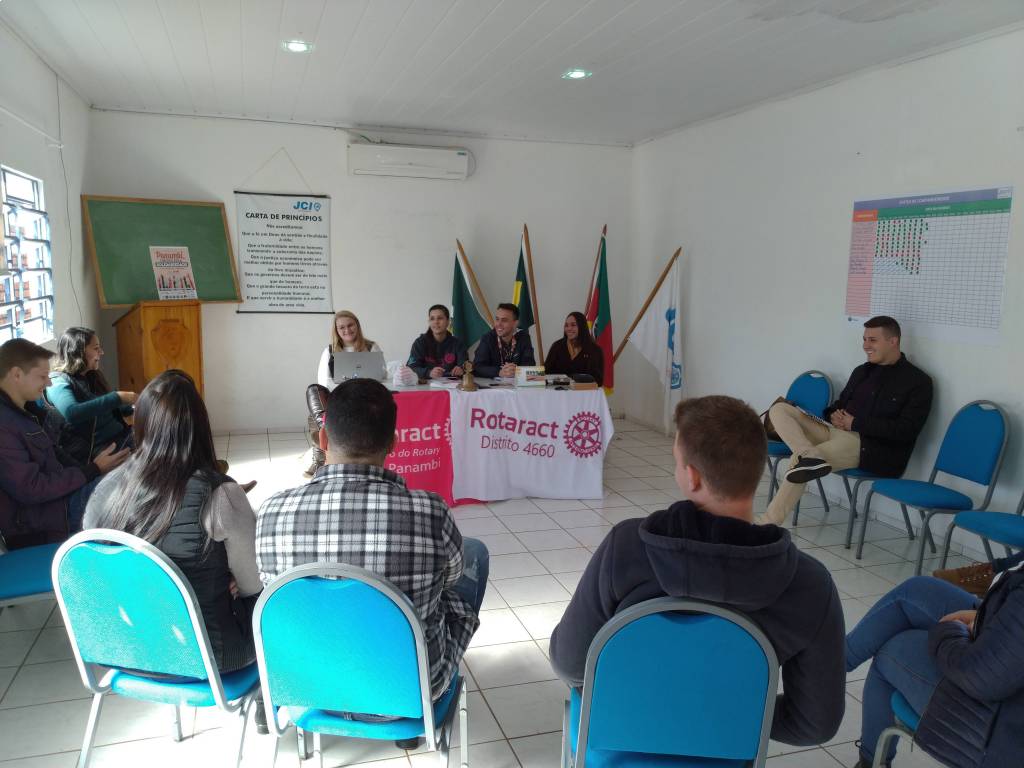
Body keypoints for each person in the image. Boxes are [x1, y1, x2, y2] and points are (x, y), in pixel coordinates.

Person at [548, 395, 845, 746]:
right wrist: (718, 714)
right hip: (725, 750)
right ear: (757, 471)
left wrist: (649, 704)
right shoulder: (810, 584)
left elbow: (569, 662)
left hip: (622, 737)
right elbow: (815, 724)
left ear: (691, 477)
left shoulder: (626, 548)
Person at [257, 378, 488, 747]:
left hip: (305, 684)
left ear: (323, 440)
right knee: (474, 554)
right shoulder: (429, 510)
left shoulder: (271, 511)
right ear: (393, 443)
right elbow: (451, 578)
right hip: (411, 690)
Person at [84, 370, 261, 675]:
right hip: (205, 656)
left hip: (125, 648)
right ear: (200, 426)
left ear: (140, 425)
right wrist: (222, 579)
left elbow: (96, 570)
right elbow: (254, 585)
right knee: (278, 598)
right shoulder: (221, 495)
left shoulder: (105, 488)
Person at [761, 316, 932, 525]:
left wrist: (855, 424)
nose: (866, 346)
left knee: (799, 462)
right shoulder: (862, 371)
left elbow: (907, 430)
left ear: (893, 341)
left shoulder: (918, 382)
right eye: (864, 339)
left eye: (872, 340)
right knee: (780, 409)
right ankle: (809, 455)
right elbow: (838, 404)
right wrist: (832, 414)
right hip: (834, 430)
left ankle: (767, 524)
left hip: (868, 446)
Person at [846, 570, 1024, 767]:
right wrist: (985, 616)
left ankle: (869, 762)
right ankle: (829, 668)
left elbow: (982, 678)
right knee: (914, 592)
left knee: (891, 650)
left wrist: (949, 632)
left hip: (1006, 723)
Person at [0, 339, 128, 548]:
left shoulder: (28, 411)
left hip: (61, 501)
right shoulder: (4, 425)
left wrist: (93, 472)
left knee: (129, 479)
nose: (49, 383)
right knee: (127, 492)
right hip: (45, 521)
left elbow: (56, 454)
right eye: (42, 376)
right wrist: (92, 470)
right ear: (16, 374)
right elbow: (32, 489)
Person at [305, 310, 386, 477]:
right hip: (339, 397)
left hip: (365, 397)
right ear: (336, 330)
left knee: (314, 417)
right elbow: (323, 381)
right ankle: (323, 426)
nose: (347, 330)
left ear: (357, 326)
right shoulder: (329, 351)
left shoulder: (371, 347)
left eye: (350, 325)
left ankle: (323, 437)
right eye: (341, 327)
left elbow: (382, 375)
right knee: (313, 389)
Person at [47, 327, 136, 463]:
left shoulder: (91, 375)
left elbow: (108, 407)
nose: (101, 352)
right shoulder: (57, 381)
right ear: (77, 351)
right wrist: (118, 397)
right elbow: (72, 412)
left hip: (122, 437)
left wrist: (135, 407)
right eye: (96, 348)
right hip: (100, 452)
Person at [472, 302, 535, 378]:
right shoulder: (487, 338)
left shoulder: (524, 337)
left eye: (504, 320)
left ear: (515, 323)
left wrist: (517, 370)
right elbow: (477, 367)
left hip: (516, 384)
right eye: (497, 319)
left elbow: (530, 364)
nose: (498, 324)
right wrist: (499, 372)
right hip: (493, 385)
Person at [407, 304, 467, 379]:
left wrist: (461, 369)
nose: (436, 322)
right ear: (429, 322)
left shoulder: (457, 343)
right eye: (432, 319)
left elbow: (466, 366)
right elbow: (411, 368)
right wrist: (428, 373)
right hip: (427, 384)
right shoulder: (420, 343)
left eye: (440, 318)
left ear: (448, 321)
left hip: (452, 384)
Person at [543, 311, 604, 385]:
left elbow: (598, 380)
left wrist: (573, 379)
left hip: (584, 391)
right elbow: (545, 372)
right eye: (566, 325)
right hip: (559, 391)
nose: (569, 328)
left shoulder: (595, 350)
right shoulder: (557, 346)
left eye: (573, 325)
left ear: (582, 327)